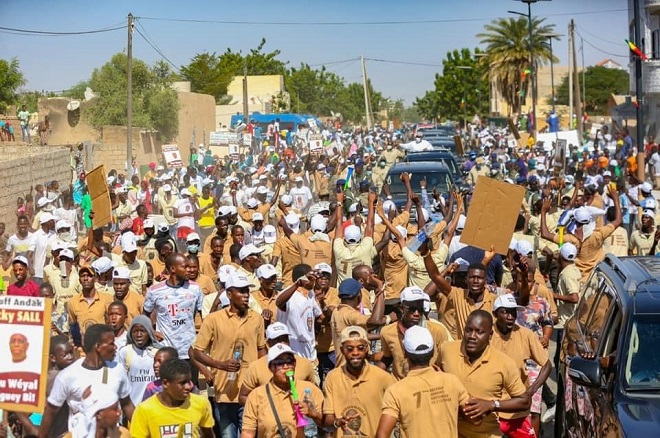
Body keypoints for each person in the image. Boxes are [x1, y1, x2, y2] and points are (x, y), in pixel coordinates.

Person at [192, 271, 268, 438]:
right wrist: (220, 365)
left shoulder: (257, 319)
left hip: (250, 391)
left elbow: (261, 348)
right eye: (241, 291)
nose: (246, 295)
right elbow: (197, 352)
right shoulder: (213, 319)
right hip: (224, 390)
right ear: (229, 294)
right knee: (228, 435)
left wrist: (264, 377)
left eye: (247, 291)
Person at [441, 310, 530, 438]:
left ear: (490, 335)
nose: (472, 336)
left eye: (479, 332)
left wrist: (492, 405)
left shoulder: (504, 363)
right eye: (468, 330)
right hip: (451, 432)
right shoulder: (447, 350)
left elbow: (524, 401)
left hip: (487, 434)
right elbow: (434, 371)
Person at [39, 324, 134, 438]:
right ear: (98, 347)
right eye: (111, 344)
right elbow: (51, 412)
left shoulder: (117, 370)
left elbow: (127, 404)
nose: (115, 347)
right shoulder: (68, 375)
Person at [376, 325, 470, 438]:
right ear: (432, 353)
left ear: (405, 353)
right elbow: (473, 418)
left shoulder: (396, 391)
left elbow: (382, 434)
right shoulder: (452, 381)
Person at [490, 294, 552, 437]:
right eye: (505, 312)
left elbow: (546, 365)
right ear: (495, 314)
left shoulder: (526, 335)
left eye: (513, 312)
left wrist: (530, 391)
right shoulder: (487, 334)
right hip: (490, 409)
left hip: (517, 409)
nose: (510, 316)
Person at [324, 326, 396, 437]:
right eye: (350, 349)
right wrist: (337, 422)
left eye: (360, 348)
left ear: (367, 348)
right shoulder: (332, 377)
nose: (355, 353)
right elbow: (328, 417)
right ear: (342, 350)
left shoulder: (383, 377)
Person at [241, 343, 324, 438]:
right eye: (279, 363)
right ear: (270, 368)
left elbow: (327, 425)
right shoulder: (257, 395)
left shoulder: (309, 389)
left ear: (295, 364)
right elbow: (247, 432)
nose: (286, 367)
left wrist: (312, 414)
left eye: (290, 362)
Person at [143, 253, 204, 366]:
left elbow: (204, 315)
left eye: (190, 266)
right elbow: (145, 314)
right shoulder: (155, 290)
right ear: (173, 269)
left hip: (189, 351)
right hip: (165, 351)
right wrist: (152, 332)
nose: (189, 270)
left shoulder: (195, 288)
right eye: (185, 267)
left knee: (190, 384)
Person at [130, 359, 215, 438]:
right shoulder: (145, 410)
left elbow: (208, 434)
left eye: (189, 381)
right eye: (182, 383)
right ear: (165, 383)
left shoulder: (201, 403)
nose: (188, 387)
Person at [377, 286, 448, 379]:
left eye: (420, 309)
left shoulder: (438, 331)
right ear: (402, 308)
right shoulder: (387, 332)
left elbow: (444, 360)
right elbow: (388, 357)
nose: (416, 313)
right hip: (400, 386)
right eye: (412, 309)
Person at [238, 322, 315, 405]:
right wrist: (262, 408)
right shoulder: (256, 367)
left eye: (284, 338)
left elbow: (314, 392)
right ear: (268, 344)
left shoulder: (305, 364)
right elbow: (243, 397)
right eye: (277, 340)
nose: (281, 343)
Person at [330, 276, 387, 369]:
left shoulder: (337, 311)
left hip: (343, 367)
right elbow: (375, 321)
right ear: (359, 295)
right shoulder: (350, 314)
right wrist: (380, 288)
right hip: (352, 369)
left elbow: (356, 335)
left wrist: (383, 335)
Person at [275, 264, 323, 362]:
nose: (314, 280)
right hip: (294, 354)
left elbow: (320, 317)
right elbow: (279, 303)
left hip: (310, 354)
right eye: (311, 278)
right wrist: (297, 284)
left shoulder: (310, 294)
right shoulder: (288, 295)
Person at [116, 315, 161, 406]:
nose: (139, 335)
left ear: (149, 332)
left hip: (154, 406)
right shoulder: (125, 352)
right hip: (133, 407)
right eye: (135, 331)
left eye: (143, 331)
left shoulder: (158, 352)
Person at [65, 384, 131, 438]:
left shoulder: (122, 434)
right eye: (114, 409)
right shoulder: (73, 436)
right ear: (99, 414)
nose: (119, 413)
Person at [67, 266, 113, 334]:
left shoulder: (107, 299)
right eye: (83, 276)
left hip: (101, 342)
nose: (85, 278)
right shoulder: (73, 302)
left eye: (89, 276)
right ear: (79, 280)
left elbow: (111, 323)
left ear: (95, 279)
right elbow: (73, 326)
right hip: (83, 343)